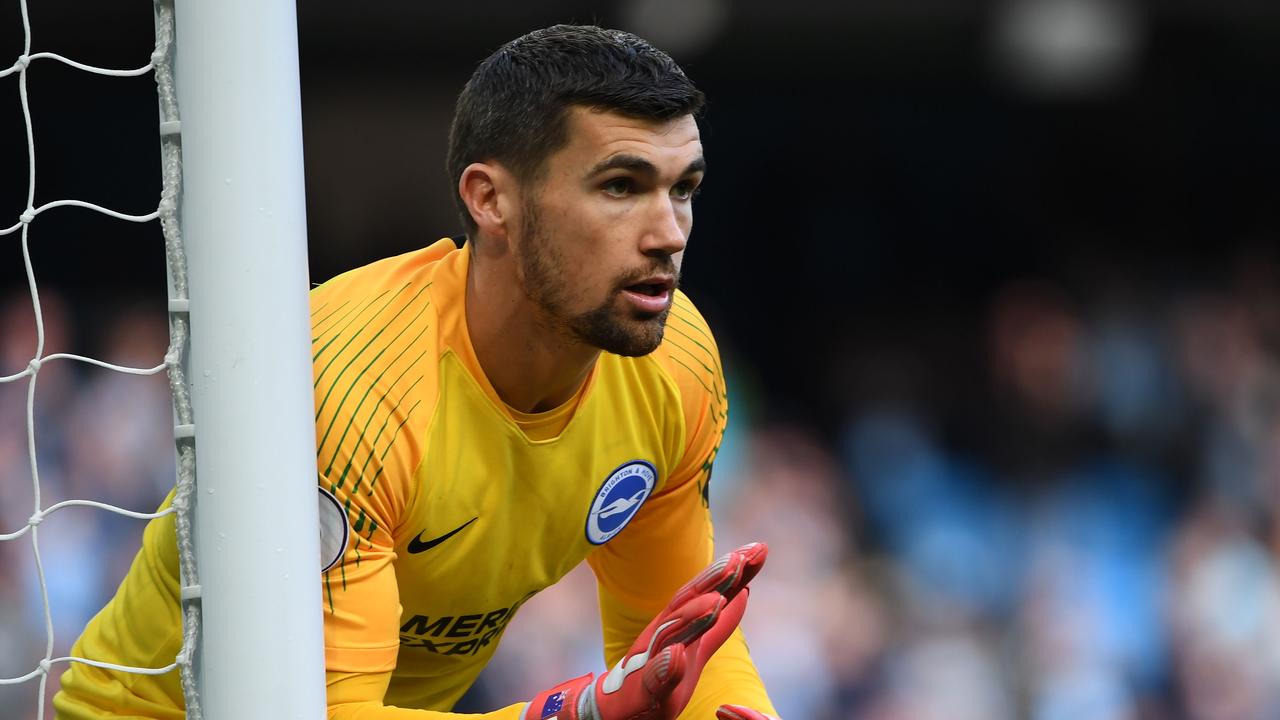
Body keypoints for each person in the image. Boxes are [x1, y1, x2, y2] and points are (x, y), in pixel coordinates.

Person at [54, 24, 780, 720]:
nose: (669, 234)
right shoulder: (354, 388)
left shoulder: (675, 362)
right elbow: (314, 713)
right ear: (489, 199)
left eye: (682, 188)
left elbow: (674, 644)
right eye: (622, 186)